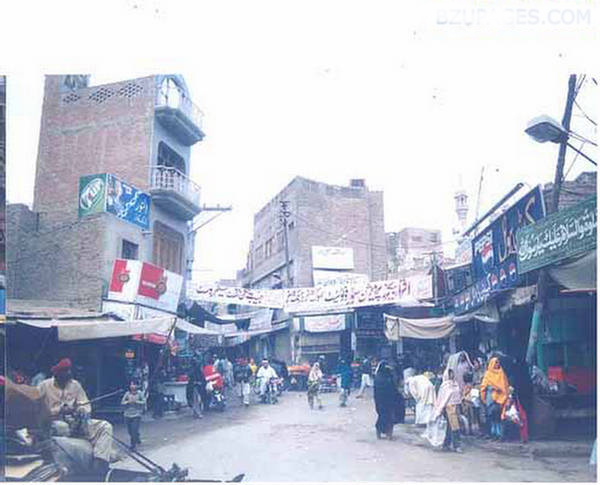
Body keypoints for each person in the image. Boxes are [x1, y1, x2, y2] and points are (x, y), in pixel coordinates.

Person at [37, 358, 114, 476]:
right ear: (56, 374)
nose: (67, 374)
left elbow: (85, 403)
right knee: (62, 427)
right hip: (55, 422)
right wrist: (59, 410)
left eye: (68, 371)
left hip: (75, 422)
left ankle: (100, 463)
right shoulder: (44, 386)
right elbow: (38, 410)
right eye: (64, 371)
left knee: (105, 426)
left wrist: (82, 410)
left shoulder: (75, 385)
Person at [433, 369, 463, 453]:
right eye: (450, 374)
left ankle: (446, 444)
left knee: (451, 427)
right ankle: (456, 445)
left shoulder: (455, 384)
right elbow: (442, 398)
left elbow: (458, 396)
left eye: (452, 374)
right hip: (448, 408)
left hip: (456, 407)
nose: (452, 376)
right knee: (454, 426)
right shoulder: (445, 386)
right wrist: (439, 409)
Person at [480, 357, 509, 440]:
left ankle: (500, 435)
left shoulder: (501, 373)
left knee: (499, 418)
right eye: (495, 363)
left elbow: (505, 386)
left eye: (498, 362)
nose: (497, 364)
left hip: (501, 399)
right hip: (491, 399)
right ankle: (494, 434)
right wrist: (492, 388)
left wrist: (501, 392)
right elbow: (483, 386)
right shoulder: (488, 374)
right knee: (492, 418)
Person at [373, 361, 397, 440]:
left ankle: (382, 433)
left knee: (383, 416)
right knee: (388, 417)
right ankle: (387, 434)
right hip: (386, 401)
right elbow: (394, 389)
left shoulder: (378, 377)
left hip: (382, 401)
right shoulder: (388, 378)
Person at [121, 381, 145, 450]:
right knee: (130, 431)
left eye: (134, 384)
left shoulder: (140, 393)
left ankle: (133, 445)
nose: (132, 386)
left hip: (136, 414)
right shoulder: (127, 393)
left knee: (134, 429)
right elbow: (122, 402)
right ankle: (137, 438)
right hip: (127, 414)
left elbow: (144, 402)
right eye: (131, 385)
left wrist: (136, 402)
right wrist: (128, 402)